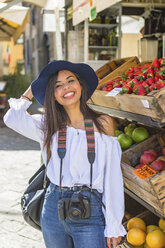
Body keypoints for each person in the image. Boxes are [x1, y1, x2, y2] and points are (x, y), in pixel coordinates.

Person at [3, 60, 126, 248]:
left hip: (90, 210)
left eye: (70, 81)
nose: (66, 88)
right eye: (58, 86)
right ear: (52, 94)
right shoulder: (48, 125)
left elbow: (113, 178)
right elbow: (12, 118)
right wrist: (36, 85)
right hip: (53, 208)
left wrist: (114, 224)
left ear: (81, 84)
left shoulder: (103, 123)